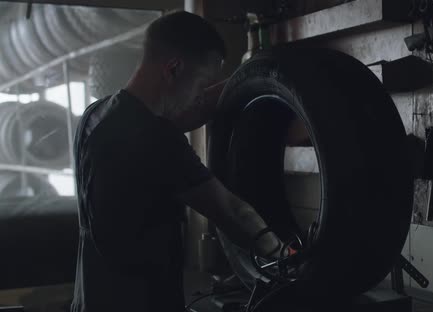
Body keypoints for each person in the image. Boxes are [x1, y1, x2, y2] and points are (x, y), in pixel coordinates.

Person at [71, 11, 281, 312]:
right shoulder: (156, 141)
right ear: (173, 69)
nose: (199, 96)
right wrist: (285, 254)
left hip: (91, 297)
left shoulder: (98, 114)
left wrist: (247, 79)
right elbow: (233, 212)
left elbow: (185, 113)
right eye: (201, 83)